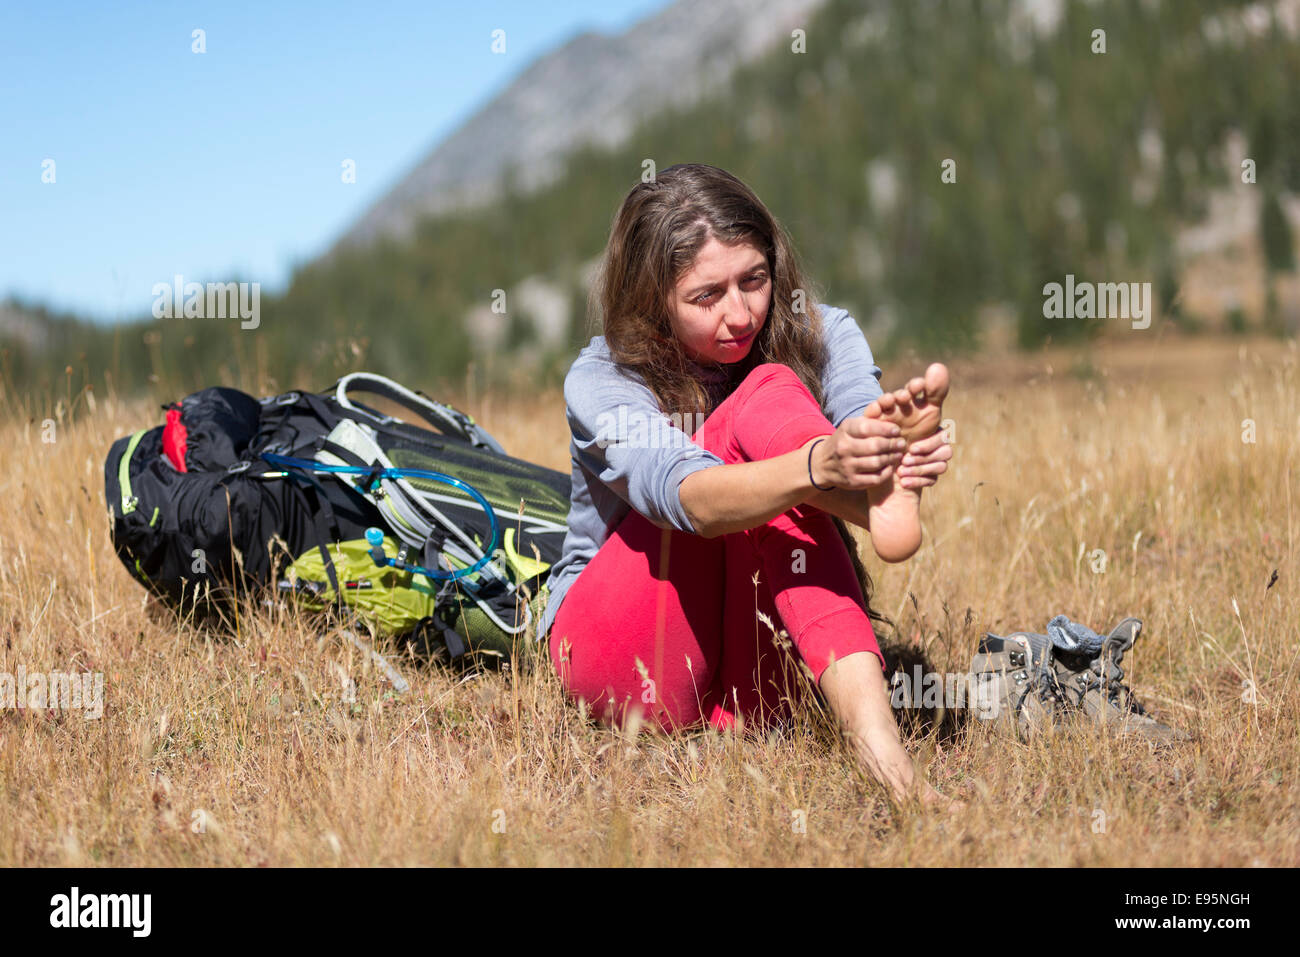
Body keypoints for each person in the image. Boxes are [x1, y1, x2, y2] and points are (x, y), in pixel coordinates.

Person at [536, 163, 953, 805]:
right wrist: (824, 470)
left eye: (754, 281)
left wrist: (877, 454)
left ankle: (887, 764)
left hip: (748, 657)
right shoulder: (601, 377)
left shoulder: (824, 331)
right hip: (619, 651)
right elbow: (688, 500)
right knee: (769, 405)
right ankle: (868, 498)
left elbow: (856, 422)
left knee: (792, 473)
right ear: (653, 302)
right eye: (706, 296)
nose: (740, 314)